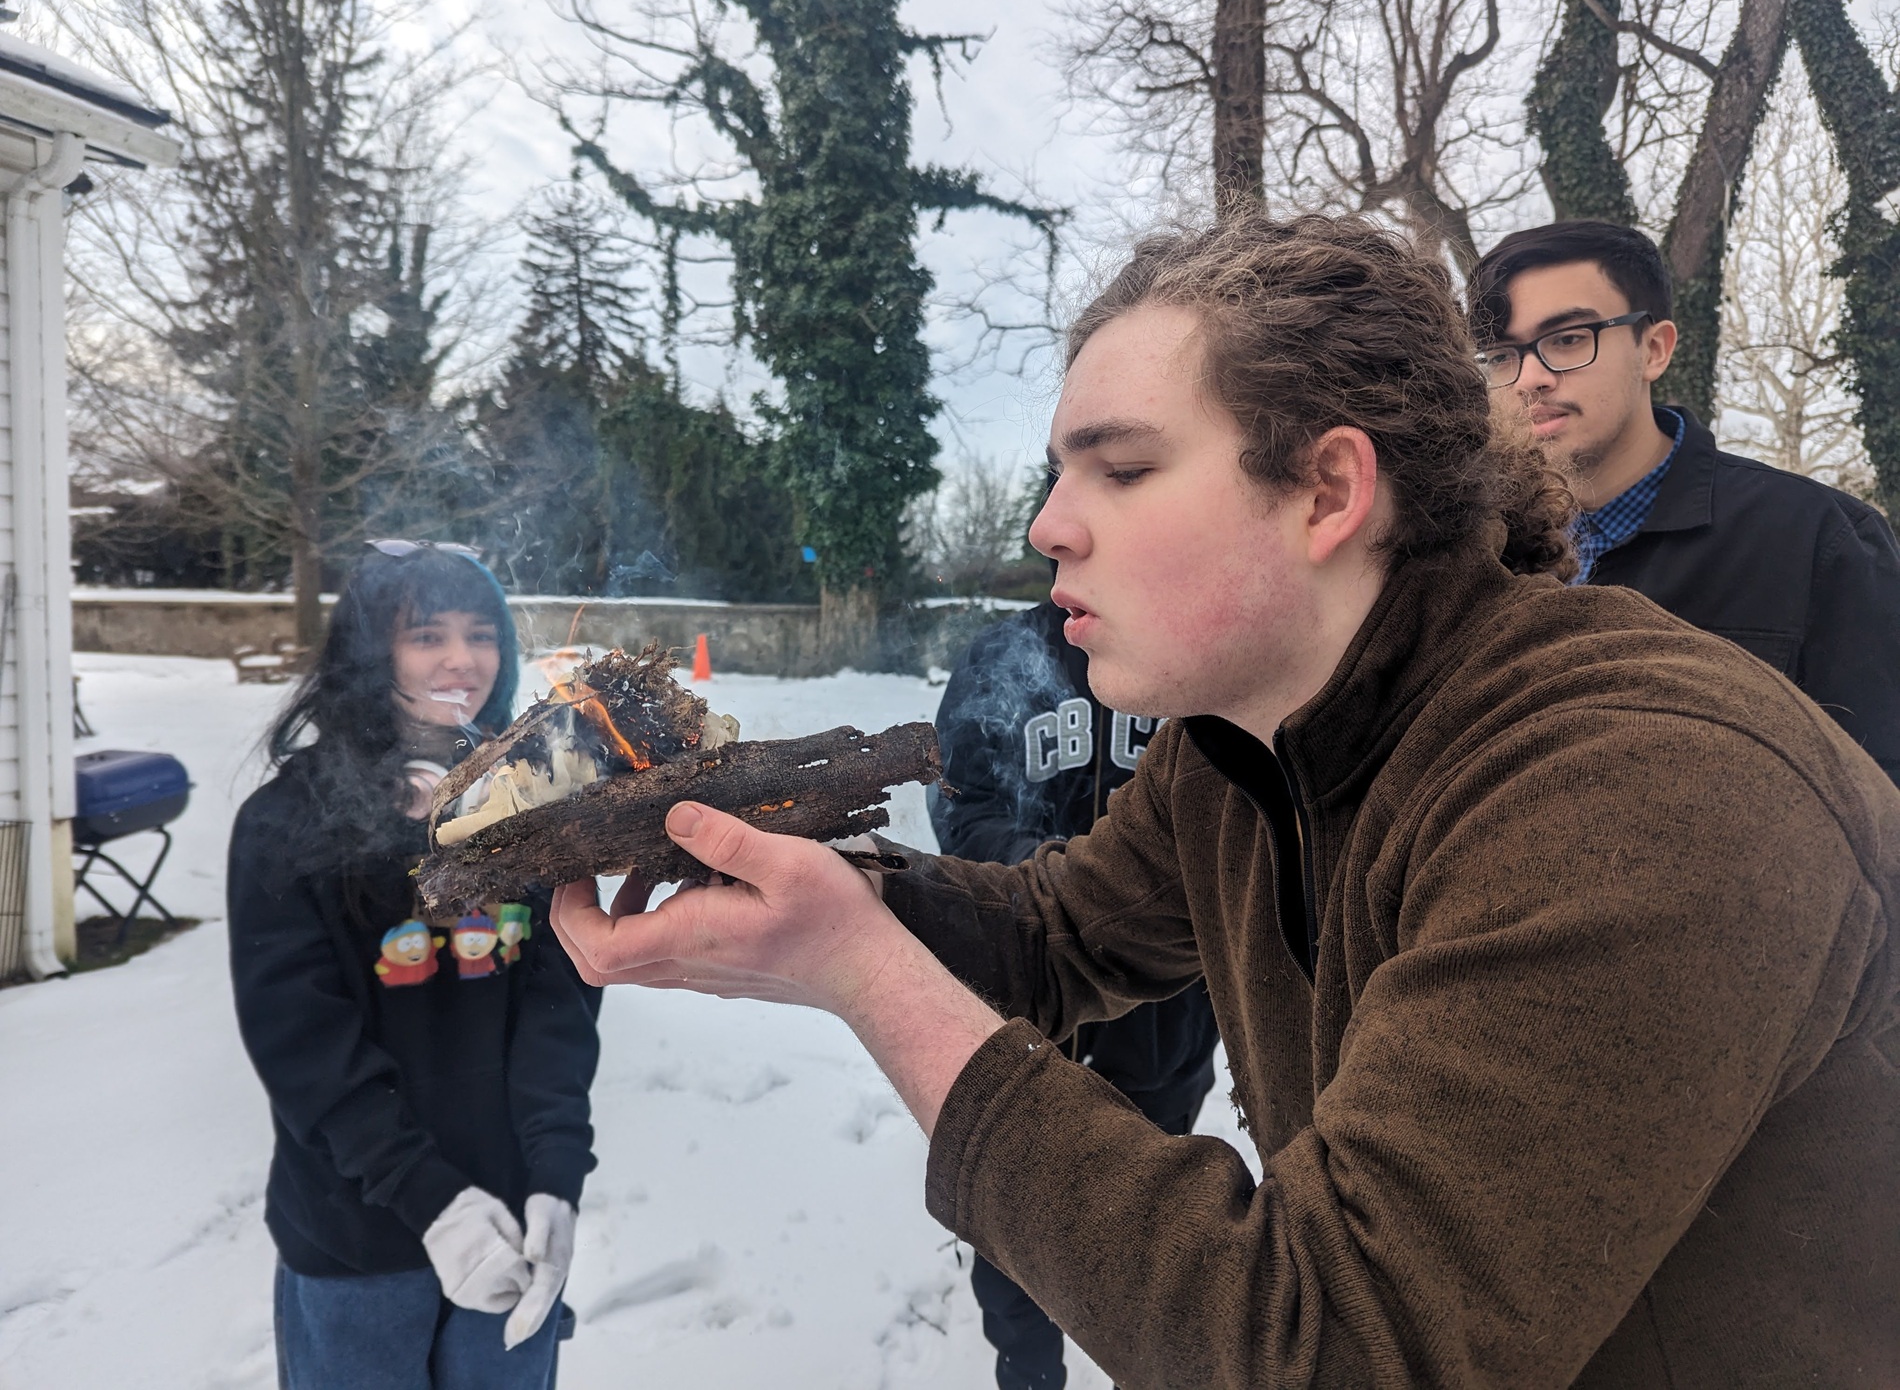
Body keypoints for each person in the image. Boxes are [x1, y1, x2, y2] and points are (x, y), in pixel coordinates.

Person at [548, 213, 1899, 1388]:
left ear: (1327, 489)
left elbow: (1331, 1349)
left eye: (1120, 467)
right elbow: (1057, 937)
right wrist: (817, 894)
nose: (1047, 526)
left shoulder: (1636, 789)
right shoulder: (1245, 740)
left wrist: (867, 977)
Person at [229, 542, 603, 1390]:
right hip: (355, 1241)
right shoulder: (286, 822)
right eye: (426, 636)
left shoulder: (532, 804)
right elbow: (303, 1048)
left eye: (481, 635)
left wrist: (554, 1175)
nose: (462, 661)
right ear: (371, 653)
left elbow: (561, 1003)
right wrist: (427, 1198)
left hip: (511, 1227)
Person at [1469, 219, 1900, 780]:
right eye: (1502, 355)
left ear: (1653, 349)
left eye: (1568, 339)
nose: (1529, 378)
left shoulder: (1818, 540)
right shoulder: (1466, 553)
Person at [931, 598, 1219, 1390]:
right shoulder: (1003, 655)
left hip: (1170, 1019)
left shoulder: (1198, 651)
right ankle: (1029, 1372)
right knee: (1013, 1217)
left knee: (1156, 1227)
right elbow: (960, 807)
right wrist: (1074, 878)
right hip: (1025, 1006)